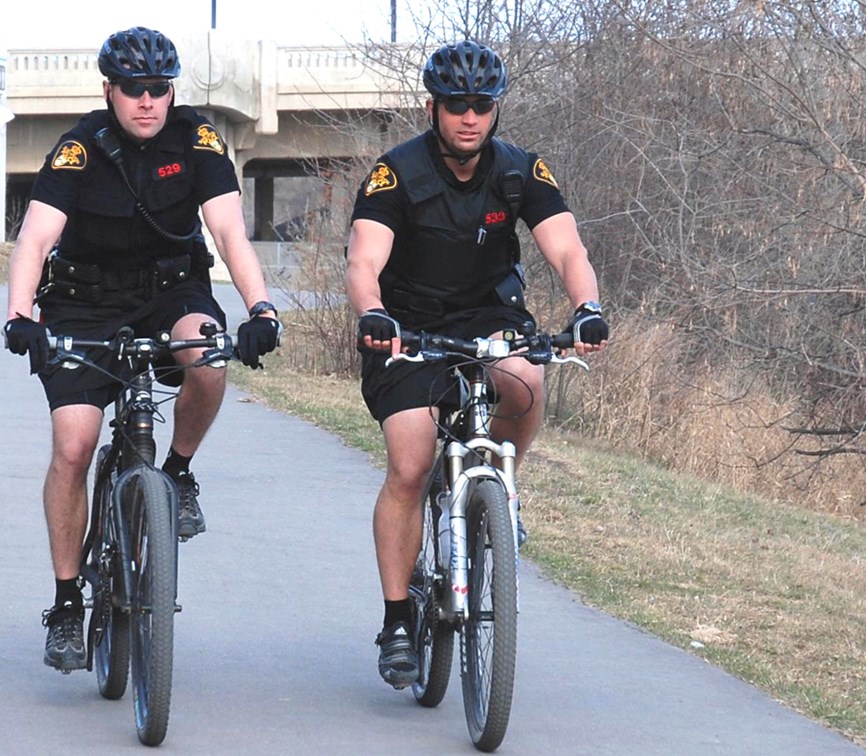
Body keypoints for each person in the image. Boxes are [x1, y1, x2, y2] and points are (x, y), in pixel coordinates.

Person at [3, 27, 282, 672]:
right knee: (74, 445)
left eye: (159, 88)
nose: (148, 100)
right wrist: (20, 316)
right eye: (134, 89)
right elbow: (35, 239)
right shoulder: (79, 148)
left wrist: (262, 308)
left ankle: (177, 474)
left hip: (169, 292)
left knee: (208, 360)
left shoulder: (197, 139)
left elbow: (230, 232)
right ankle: (67, 605)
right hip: (83, 302)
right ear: (110, 91)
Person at [345, 40, 609, 688]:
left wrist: (587, 306)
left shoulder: (520, 171)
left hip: (491, 316)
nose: (470, 116)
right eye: (457, 105)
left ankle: (498, 480)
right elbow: (363, 262)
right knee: (409, 464)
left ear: (496, 109)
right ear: (433, 106)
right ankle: (398, 619)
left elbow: (568, 250)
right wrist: (374, 313)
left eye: (482, 105)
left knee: (525, 378)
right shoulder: (397, 173)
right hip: (405, 329)